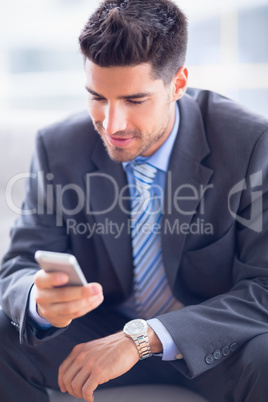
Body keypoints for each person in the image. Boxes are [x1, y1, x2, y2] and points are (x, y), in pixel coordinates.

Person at [0, 0, 268, 401]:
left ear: (178, 84)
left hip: (213, 341)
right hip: (99, 329)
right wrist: (41, 302)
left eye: (134, 100)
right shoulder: (58, 146)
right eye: (97, 97)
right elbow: (16, 268)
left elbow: (263, 286)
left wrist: (143, 338)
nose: (112, 124)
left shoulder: (250, 143)